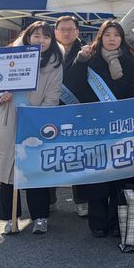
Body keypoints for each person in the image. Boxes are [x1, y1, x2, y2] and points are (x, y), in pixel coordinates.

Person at [0, 21, 63, 236]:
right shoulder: (11, 55)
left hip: (35, 120)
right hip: (8, 119)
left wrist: (38, 118)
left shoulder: (54, 64)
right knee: (7, 172)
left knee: (34, 170)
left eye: (46, 37)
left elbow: (53, 95)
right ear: (28, 37)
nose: (41, 40)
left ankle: (40, 217)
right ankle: (10, 218)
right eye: (37, 36)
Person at [66, 20, 134, 238]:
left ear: (122, 38)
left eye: (116, 35)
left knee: (121, 176)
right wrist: (80, 62)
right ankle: (98, 222)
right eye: (108, 34)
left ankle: (118, 221)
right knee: (98, 175)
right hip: (95, 126)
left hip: (122, 127)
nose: (112, 39)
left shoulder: (130, 63)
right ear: (101, 37)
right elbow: (74, 86)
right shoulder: (89, 60)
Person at [53, 15, 87, 216]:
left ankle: (82, 200)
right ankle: (48, 199)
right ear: (55, 32)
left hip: (77, 111)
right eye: (62, 29)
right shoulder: (46, 52)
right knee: (50, 156)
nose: (66, 33)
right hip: (50, 110)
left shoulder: (86, 51)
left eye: (70, 29)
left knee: (77, 158)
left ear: (77, 32)